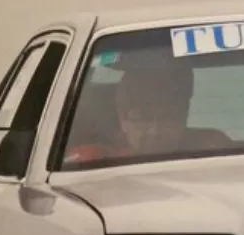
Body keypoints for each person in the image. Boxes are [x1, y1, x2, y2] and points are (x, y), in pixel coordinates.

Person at [64, 51, 231, 163]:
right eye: (141, 118)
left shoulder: (213, 152)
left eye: (167, 117)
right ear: (123, 120)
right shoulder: (93, 162)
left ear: (184, 116)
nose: (155, 131)